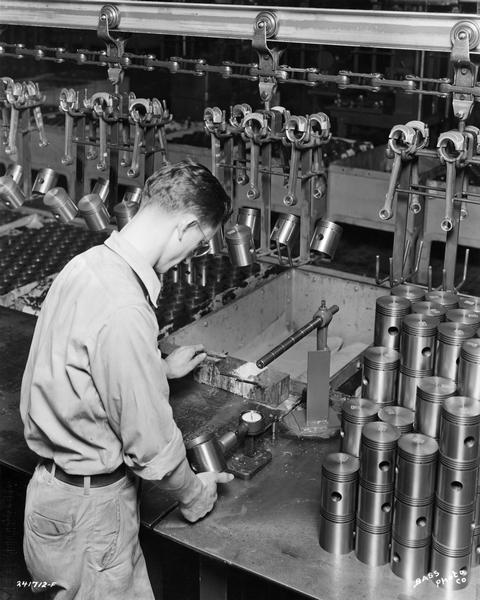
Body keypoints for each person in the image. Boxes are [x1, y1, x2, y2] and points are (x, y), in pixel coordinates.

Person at [20, 160, 234, 599]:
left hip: (49, 504)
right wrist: (194, 494)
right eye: (198, 244)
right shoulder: (126, 307)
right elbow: (150, 444)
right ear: (186, 226)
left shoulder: (86, 266)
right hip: (91, 521)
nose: (187, 259)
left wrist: (158, 368)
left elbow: (81, 367)